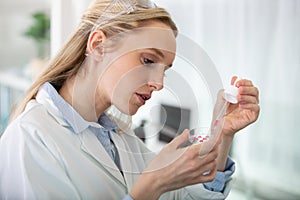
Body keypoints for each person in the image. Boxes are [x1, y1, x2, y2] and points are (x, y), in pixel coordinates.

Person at [0, 0, 260, 199]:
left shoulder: (119, 138)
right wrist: (150, 187)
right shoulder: (30, 136)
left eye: (165, 70)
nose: (159, 84)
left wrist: (221, 134)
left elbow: (184, 197)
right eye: (148, 60)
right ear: (98, 45)